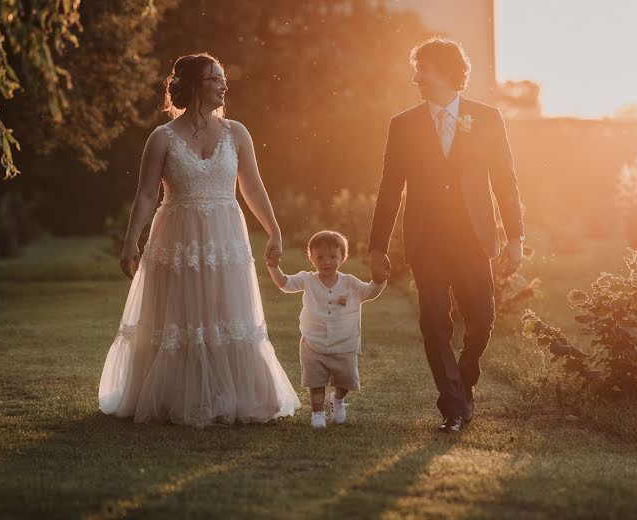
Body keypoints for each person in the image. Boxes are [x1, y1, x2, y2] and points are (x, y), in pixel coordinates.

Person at [98, 53, 300, 426]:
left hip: (225, 237)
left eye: (223, 78)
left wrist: (274, 229)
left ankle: (233, 394)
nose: (224, 84)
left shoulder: (236, 133)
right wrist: (131, 242)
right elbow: (145, 195)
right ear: (194, 86)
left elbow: (251, 186)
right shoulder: (162, 138)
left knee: (226, 313)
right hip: (177, 238)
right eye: (215, 79)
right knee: (181, 316)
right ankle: (176, 395)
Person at [367, 37, 525, 433]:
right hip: (427, 239)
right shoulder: (403, 124)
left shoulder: (487, 118)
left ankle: (464, 377)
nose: (416, 77)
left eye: (423, 69)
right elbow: (390, 186)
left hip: (473, 236)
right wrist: (377, 245)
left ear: (446, 72)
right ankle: (453, 406)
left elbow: (505, 180)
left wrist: (515, 236)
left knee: (482, 318)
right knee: (434, 322)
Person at [266, 230, 385, 428]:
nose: (326, 262)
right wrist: (273, 267)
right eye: (319, 257)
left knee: (346, 381)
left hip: (344, 342)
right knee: (316, 381)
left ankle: (337, 400)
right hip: (314, 342)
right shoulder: (307, 280)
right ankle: (317, 414)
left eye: (332, 257)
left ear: (342, 257)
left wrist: (380, 280)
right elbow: (284, 283)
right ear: (311, 257)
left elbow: (369, 292)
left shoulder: (350, 283)